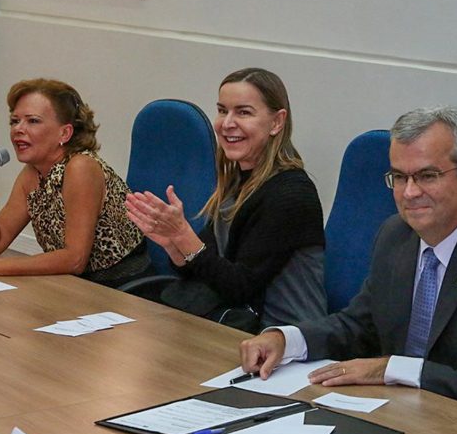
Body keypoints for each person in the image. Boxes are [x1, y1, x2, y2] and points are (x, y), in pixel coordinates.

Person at [240, 107, 457, 434]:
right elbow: (360, 324)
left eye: (427, 176)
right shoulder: (396, 235)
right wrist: (287, 340)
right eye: (399, 177)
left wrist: (390, 368)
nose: (409, 192)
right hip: (404, 420)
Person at [125, 68, 325, 329]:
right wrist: (174, 244)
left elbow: (239, 288)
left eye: (243, 112)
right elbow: (207, 270)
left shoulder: (291, 194)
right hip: (235, 326)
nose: (227, 123)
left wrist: (184, 236)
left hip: (282, 337)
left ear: (277, 122)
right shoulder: (237, 181)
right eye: (222, 110)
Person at [0, 78, 149, 286]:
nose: (18, 129)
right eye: (15, 121)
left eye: (33, 121)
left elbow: (75, 259)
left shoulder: (81, 167)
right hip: (72, 284)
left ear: (64, 133)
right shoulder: (31, 174)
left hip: (123, 287)